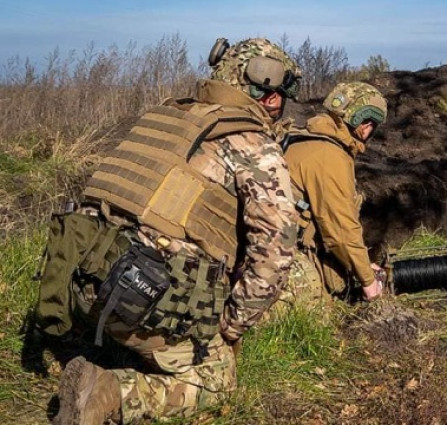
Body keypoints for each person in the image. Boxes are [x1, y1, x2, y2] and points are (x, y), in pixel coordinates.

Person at [34, 37, 301, 424]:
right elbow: (276, 251)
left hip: (80, 286)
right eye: (278, 91)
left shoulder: (166, 115)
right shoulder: (253, 144)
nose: (279, 102)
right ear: (268, 92)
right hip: (136, 298)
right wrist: (232, 324)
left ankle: (120, 343)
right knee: (217, 382)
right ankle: (110, 391)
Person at [282, 82, 387, 307]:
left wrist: (363, 264)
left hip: (263, 242)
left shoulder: (300, 136)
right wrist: (369, 284)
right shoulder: (331, 157)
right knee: (320, 305)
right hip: (277, 254)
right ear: (365, 125)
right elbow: (341, 231)